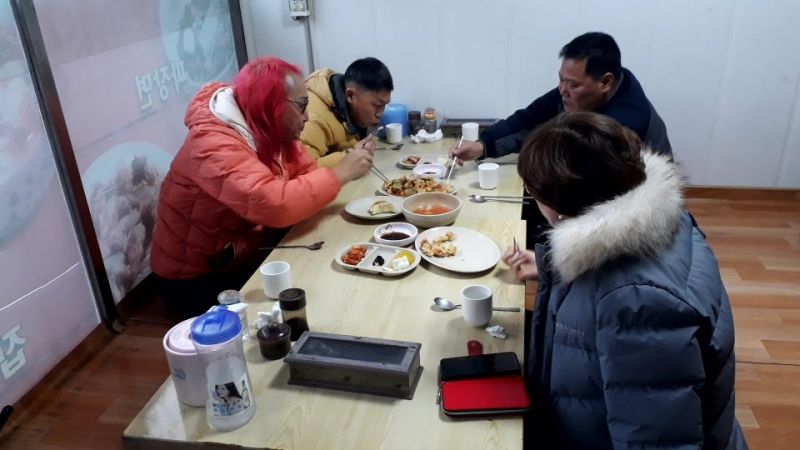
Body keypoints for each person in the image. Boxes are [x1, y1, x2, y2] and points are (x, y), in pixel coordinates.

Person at [502, 112, 747, 449]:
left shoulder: (638, 304)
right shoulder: (655, 220)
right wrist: (550, 265)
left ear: (559, 203)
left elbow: (658, 440)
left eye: (533, 193)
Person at [150, 57, 374, 319]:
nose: (307, 117)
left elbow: (305, 174)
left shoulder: (267, 123)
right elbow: (274, 205)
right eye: (301, 107)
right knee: (297, 306)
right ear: (271, 105)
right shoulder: (212, 144)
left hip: (241, 252)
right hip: (195, 278)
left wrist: (331, 178)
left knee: (322, 270)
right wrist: (341, 173)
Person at [451, 31, 672, 246]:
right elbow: (530, 118)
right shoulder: (581, 92)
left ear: (605, 82)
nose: (562, 90)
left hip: (633, 216)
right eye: (561, 79)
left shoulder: (623, 126)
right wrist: (482, 145)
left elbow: (594, 209)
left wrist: (547, 260)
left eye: (572, 84)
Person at [300, 57, 393, 167]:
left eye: (384, 105)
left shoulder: (346, 100)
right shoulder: (314, 118)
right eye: (377, 105)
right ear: (350, 95)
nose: (380, 114)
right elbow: (304, 169)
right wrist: (350, 155)